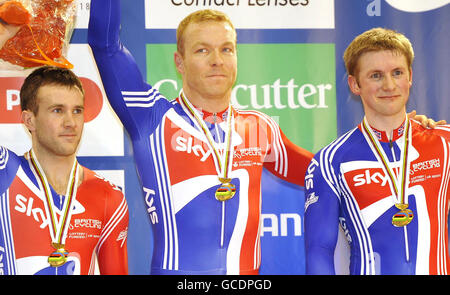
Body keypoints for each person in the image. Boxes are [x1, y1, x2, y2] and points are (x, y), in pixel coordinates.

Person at [88, 0, 315, 275]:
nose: (216, 60)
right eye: (202, 50)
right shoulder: (151, 117)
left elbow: (325, 172)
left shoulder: (259, 127)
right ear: (179, 62)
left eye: (226, 49)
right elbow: (104, 44)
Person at [304, 28, 450, 275]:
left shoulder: (444, 143)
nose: (389, 85)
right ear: (354, 84)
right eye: (375, 75)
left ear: (410, 76)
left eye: (397, 72)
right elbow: (318, 249)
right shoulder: (329, 161)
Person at [0, 66, 129, 275]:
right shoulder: (5, 172)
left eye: (77, 111)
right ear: (29, 120)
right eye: (57, 110)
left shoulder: (108, 196)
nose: (71, 123)